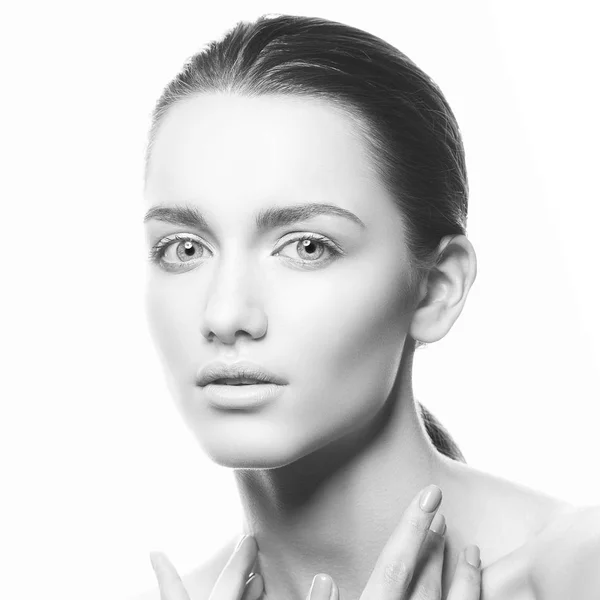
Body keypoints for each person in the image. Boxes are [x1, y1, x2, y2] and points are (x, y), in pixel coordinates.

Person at [136, 13, 597, 600]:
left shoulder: (575, 571)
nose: (225, 315)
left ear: (435, 289)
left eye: (307, 246)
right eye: (183, 248)